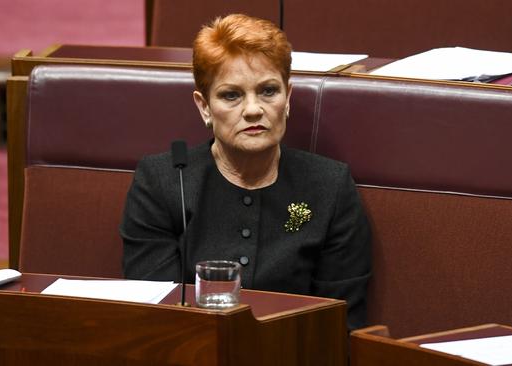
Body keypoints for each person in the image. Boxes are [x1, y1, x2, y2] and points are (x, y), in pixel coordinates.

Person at [120, 14, 371, 329]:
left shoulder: (330, 187)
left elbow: (341, 326)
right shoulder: (162, 182)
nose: (253, 109)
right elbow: (155, 321)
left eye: (268, 91)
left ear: (288, 97)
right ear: (204, 106)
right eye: (231, 95)